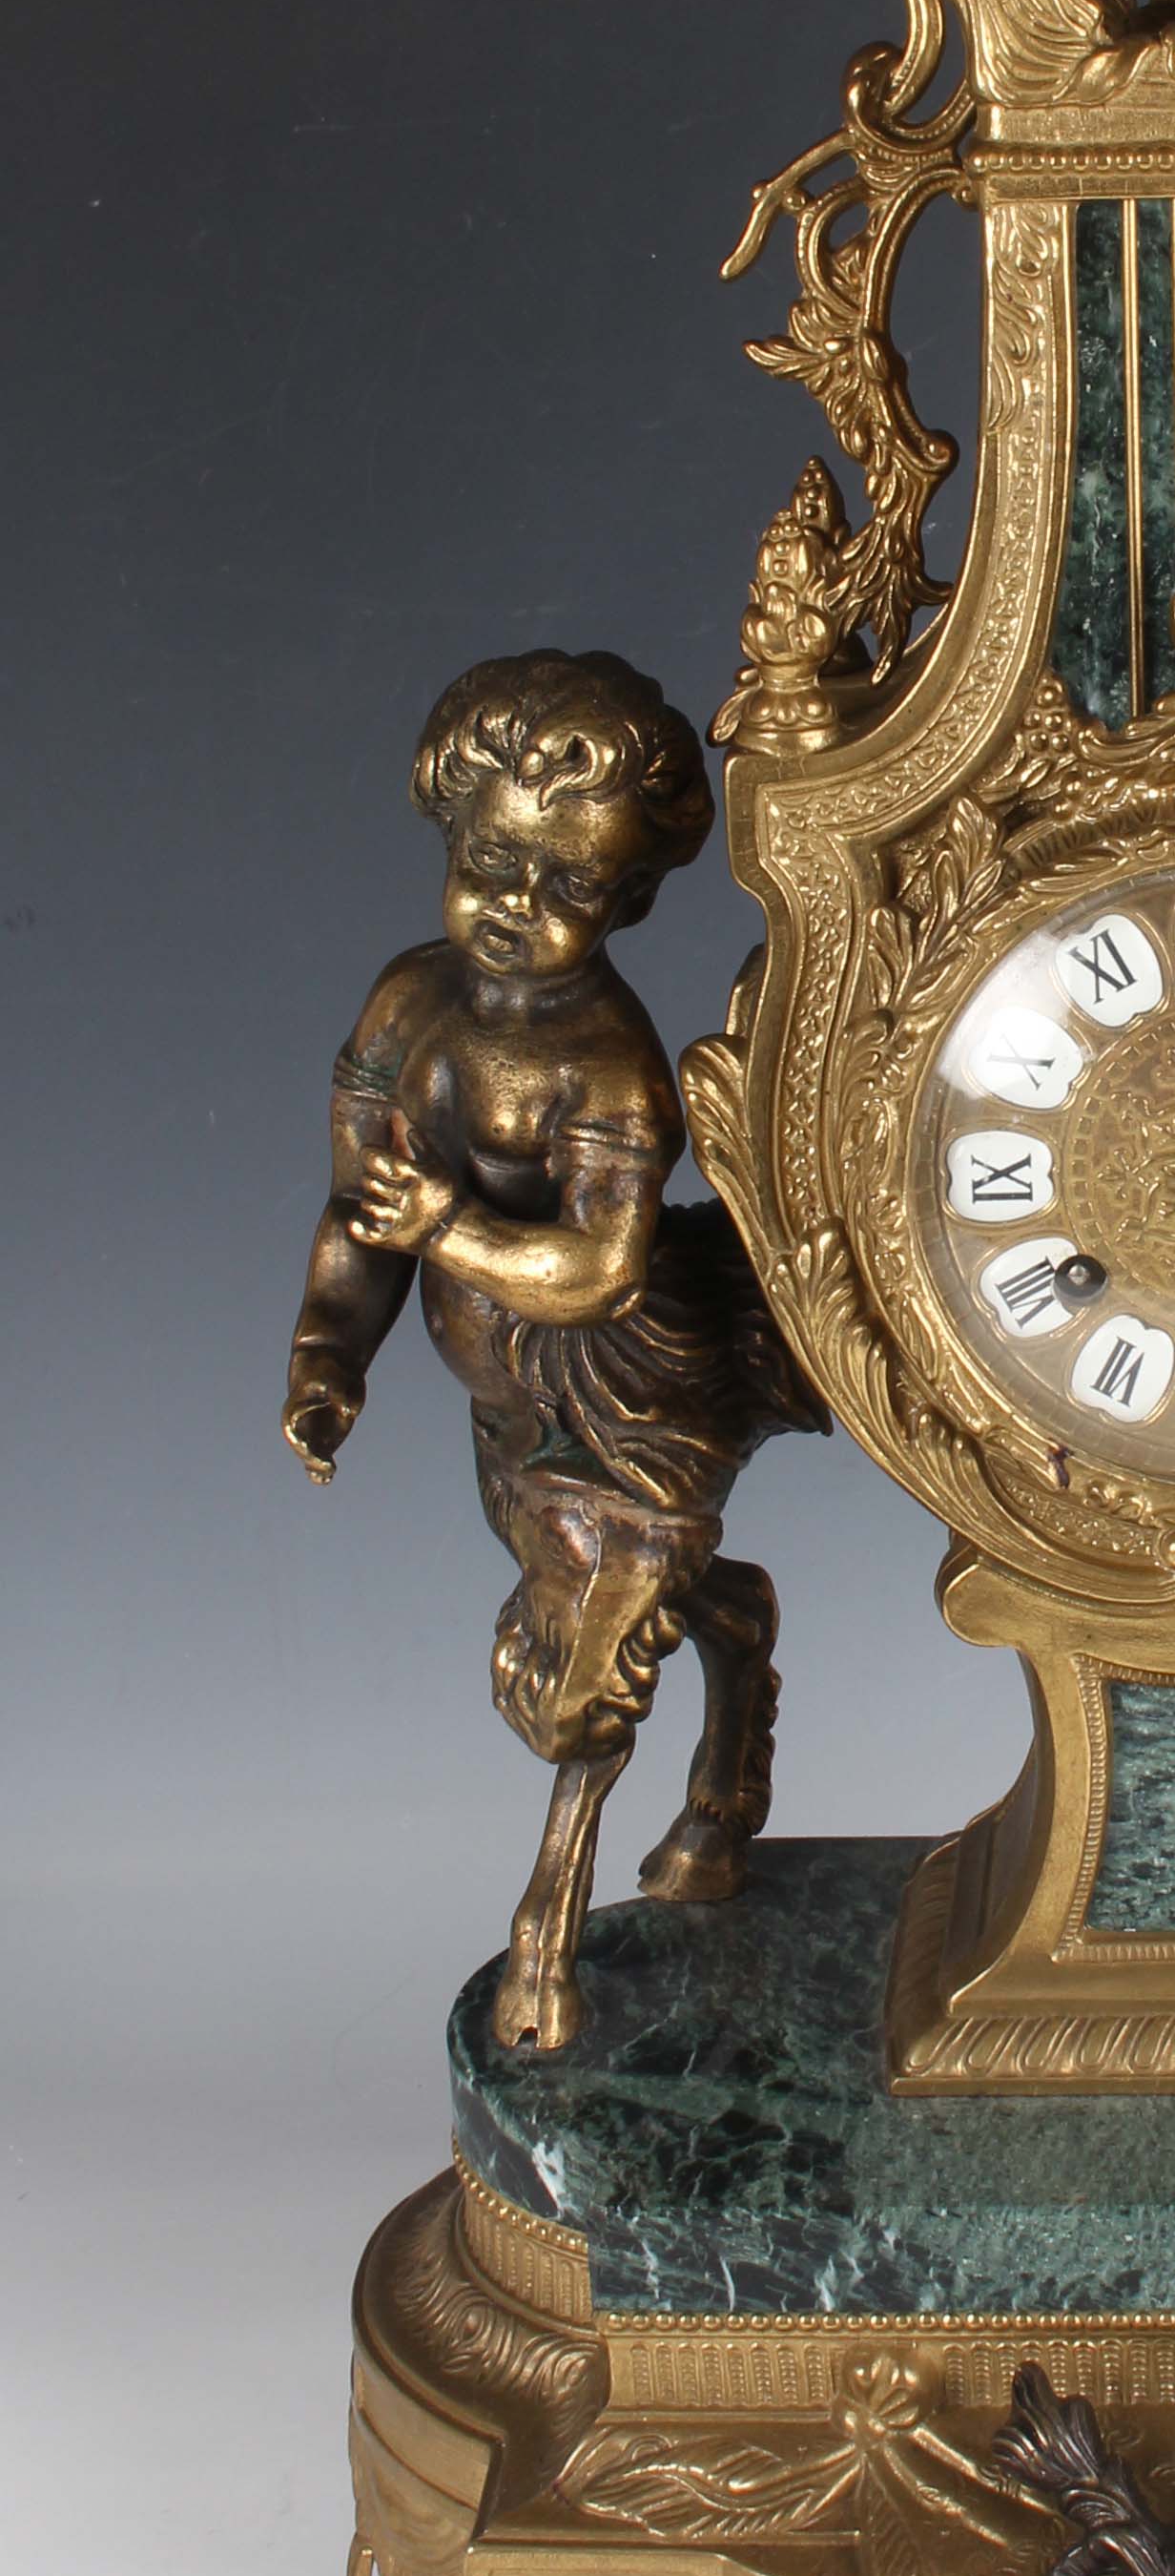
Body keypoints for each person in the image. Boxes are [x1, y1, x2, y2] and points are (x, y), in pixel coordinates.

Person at [283, 649, 825, 2049]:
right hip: (512, 1406)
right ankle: (733, 1674)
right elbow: (358, 1215)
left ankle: (548, 1934)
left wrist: (448, 1222)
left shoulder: (609, 1062)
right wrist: (328, 1352)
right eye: (490, 864)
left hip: (626, 1393)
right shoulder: (403, 1009)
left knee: (574, 1688)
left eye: (569, 885)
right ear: (449, 837)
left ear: (628, 898)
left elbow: (595, 1268)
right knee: (609, 1621)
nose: (517, 906)